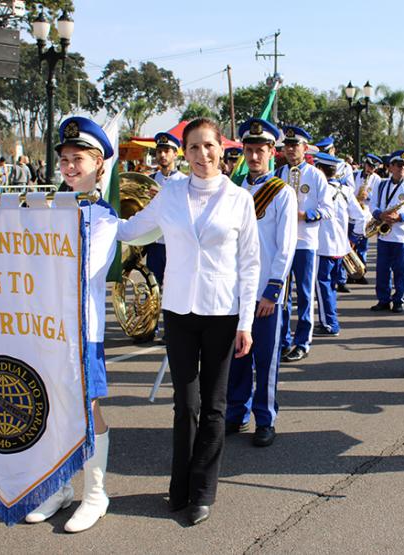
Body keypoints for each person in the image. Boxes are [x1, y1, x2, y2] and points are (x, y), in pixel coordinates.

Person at [118, 118, 260, 526]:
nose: (202, 156)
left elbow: (250, 263)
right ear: (185, 152)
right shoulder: (170, 194)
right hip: (179, 311)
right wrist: (92, 215)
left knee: (214, 407)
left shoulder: (239, 199)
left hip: (221, 313)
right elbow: (133, 230)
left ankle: (202, 491)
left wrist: (245, 322)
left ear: (221, 149)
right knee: (186, 404)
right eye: (193, 148)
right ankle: (178, 486)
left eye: (209, 147)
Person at [24, 116, 120, 533]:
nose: (67, 167)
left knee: (87, 408)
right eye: (63, 159)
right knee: (51, 407)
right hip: (46, 327)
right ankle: (59, 487)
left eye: (77, 159)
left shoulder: (103, 216)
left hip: (84, 329)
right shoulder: (46, 210)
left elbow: (82, 269)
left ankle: (95, 493)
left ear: (99, 163)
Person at [226, 118, 297, 447]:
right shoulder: (235, 192)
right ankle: (236, 412)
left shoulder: (282, 193)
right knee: (237, 357)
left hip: (266, 294)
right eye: (249, 150)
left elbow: (286, 247)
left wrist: (273, 290)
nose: (254, 157)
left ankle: (265, 418)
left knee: (265, 359)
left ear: (273, 153)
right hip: (236, 291)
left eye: (261, 151)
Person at [276, 126, 332, 363]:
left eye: (295, 145)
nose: (290, 149)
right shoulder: (278, 173)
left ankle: (303, 341)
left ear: (304, 147)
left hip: (306, 242)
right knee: (282, 293)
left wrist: (303, 215)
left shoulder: (315, 174)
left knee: (305, 294)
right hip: (281, 242)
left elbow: (327, 210)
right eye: (287, 145)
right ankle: (284, 339)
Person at [313, 152, 366, 335]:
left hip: (323, 247)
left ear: (320, 170)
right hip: (341, 248)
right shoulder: (347, 191)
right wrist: (353, 239)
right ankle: (331, 319)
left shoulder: (319, 190)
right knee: (331, 286)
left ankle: (329, 323)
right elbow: (360, 218)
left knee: (322, 285)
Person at [368, 150, 404, 313]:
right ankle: (383, 299)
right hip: (384, 235)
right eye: (399, 165)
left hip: (401, 235)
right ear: (390, 167)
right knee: (382, 270)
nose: (402, 168)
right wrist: (380, 214)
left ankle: (398, 300)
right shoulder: (381, 185)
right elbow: (372, 204)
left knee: (400, 271)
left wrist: (400, 217)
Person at [147, 132, 187, 294]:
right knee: (152, 293)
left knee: (175, 292)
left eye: (167, 151)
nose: (162, 155)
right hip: (154, 244)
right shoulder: (149, 180)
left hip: (175, 244)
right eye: (159, 151)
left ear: (175, 154)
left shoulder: (185, 182)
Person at [349, 153, 382, 281]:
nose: (370, 169)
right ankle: (349, 273)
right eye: (369, 166)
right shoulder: (355, 175)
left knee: (363, 246)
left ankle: (361, 272)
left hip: (366, 215)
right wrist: (356, 197)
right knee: (350, 245)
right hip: (352, 214)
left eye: (373, 167)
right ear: (365, 164)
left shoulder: (377, 179)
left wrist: (366, 196)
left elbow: (376, 198)